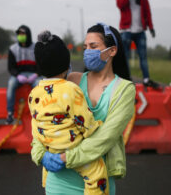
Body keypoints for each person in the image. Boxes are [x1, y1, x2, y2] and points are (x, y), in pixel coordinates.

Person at [31, 23, 136, 195]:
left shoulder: (124, 89)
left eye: (93, 46)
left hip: (97, 181)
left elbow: (105, 138)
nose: (87, 51)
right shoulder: (71, 80)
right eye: (86, 47)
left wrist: (66, 158)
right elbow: (42, 118)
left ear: (112, 50)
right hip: (58, 180)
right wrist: (41, 154)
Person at [116, 0, 159, 88]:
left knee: (143, 56)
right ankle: (126, 79)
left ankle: (146, 79)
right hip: (126, 31)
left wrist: (151, 26)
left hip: (140, 31)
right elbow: (121, 5)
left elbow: (147, 10)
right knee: (125, 57)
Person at [6, 25, 40, 124]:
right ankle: (10, 113)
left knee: (41, 86)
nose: (21, 36)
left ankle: (39, 113)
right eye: (19, 34)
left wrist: (36, 75)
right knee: (11, 84)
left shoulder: (36, 48)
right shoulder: (13, 49)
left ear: (28, 35)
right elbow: (10, 67)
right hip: (19, 75)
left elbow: (40, 65)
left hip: (34, 75)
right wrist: (17, 75)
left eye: (23, 34)